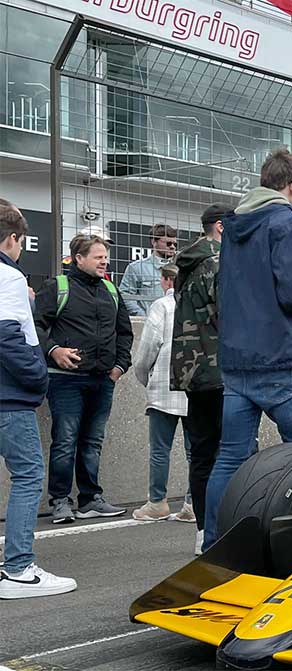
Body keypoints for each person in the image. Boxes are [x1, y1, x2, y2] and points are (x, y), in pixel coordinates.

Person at [202, 149, 292, 550]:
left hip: (237, 358)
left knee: (230, 457)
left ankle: (212, 543)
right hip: (279, 356)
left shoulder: (235, 227)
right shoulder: (286, 223)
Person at [0, 199, 77, 598]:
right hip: (9, 398)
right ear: (13, 238)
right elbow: (7, 337)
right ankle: (17, 569)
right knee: (29, 476)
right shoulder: (8, 277)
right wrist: (37, 378)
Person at [34, 234, 133, 524]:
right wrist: (54, 350)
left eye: (105, 257)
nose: (105, 261)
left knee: (93, 441)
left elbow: (124, 332)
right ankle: (61, 501)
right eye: (98, 257)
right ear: (78, 258)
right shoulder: (57, 287)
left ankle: (90, 500)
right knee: (65, 440)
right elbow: (36, 326)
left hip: (103, 379)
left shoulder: (111, 290)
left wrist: (119, 366)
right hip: (65, 380)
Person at [171, 204, 225, 555]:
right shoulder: (218, 263)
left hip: (193, 370)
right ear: (221, 227)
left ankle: (205, 531)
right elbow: (229, 312)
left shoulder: (186, 265)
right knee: (234, 452)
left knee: (202, 454)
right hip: (221, 368)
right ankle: (226, 530)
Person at [131, 264, 193, 522]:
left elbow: (147, 351)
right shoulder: (199, 306)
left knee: (160, 450)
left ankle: (157, 502)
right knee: (196, 451)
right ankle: (193, 504)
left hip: (164, 388)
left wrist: (147, 378)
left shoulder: (161, 306)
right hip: (196, 389)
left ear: (167, 281)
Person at [119, 223, 177, 316]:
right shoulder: (136, 268)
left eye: (175, 244)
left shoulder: (179, 268)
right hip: (148, 322)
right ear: (154, 242)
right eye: (168, 243)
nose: (172, 247)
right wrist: (143, 316)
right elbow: (126, 296)